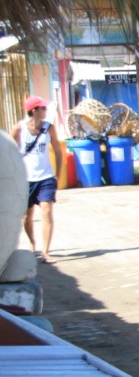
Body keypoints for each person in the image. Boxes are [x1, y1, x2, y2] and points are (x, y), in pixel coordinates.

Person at [12, 95, 63, 263]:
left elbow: (57, 151)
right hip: (25, 179)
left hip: (46, 177)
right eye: (43, 108)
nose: (46, 111)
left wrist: (58, 174)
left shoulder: (49, 128)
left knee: (47, 210)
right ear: (34, 111)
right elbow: (9, 153)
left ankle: (45, 251)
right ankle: (32, 243)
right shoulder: (19, 128)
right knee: (27, 216)